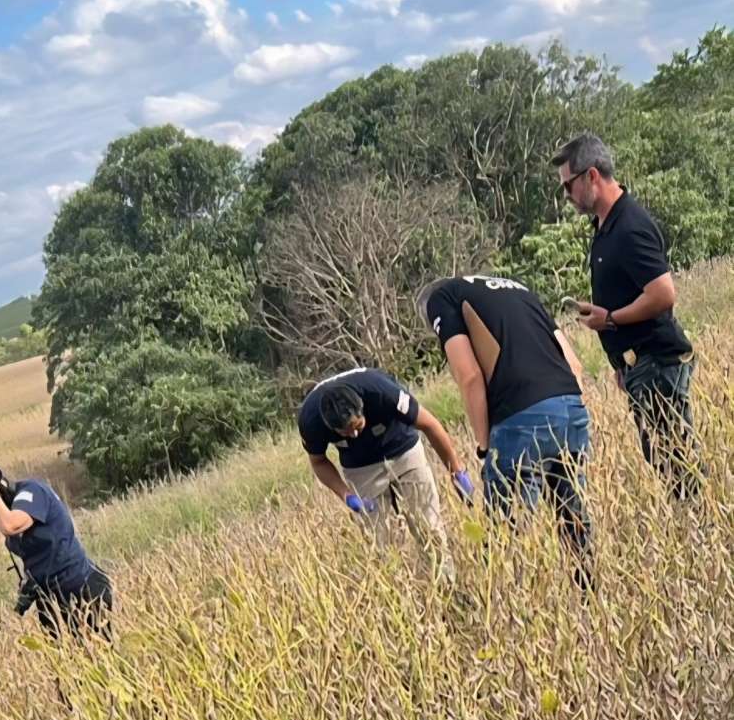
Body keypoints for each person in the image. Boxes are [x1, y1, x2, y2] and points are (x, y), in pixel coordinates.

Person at [416, 274, 593, 588]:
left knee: (507, 540)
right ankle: (590, 600)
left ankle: (511, 618)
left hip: (520, 421)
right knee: (574, 519)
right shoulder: (518, 288)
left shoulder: (442, 298)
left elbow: (469, 376)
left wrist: (485, 448)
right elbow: (574, 364)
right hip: (571, 409)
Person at [552, 133, 701, 500]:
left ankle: (704, 531)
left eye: (567, 186)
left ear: (591, 176)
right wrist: (622, 363)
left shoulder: (630, 226)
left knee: (676, 461)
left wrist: (612, 319)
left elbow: (663, 294)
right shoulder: (606, 227)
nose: (566, 197)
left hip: (658, 362)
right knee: (664, 458)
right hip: (641, 365)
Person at [298, 367, 474, 581]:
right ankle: (401, 594)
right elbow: (318, 462)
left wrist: (455, 470)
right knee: (380, 544)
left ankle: (448, 585)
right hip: (360, 469)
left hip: (404, 451)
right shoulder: (310, 421)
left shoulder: (381, 392)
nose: (354, 434)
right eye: (345, 432)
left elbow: (430, 425)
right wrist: (346, 496)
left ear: (363, 409)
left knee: (429, 529)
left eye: (357, 426)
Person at [0, 455, 112, 640]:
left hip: (83, 589)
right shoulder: (14, 509)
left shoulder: (32, 492)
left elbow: (10, 525)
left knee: (100, 657)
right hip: (52, 600)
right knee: (63, 665)